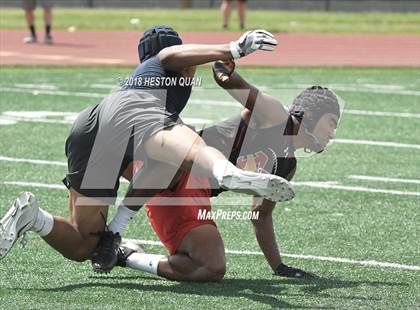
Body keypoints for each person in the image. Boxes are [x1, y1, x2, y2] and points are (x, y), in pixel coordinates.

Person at [0, 27, 293, 273]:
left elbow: (158, 166)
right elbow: (168, 56)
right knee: (187, 146)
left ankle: (35, 218)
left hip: (92, 126)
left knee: (83, 244)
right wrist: (233, 48)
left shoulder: (146, 81)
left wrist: (115, 228)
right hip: (130, 113)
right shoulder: (163, 65)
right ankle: (226, 172)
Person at [98, 60, 341, 282]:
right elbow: (231, 82)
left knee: (211, 268)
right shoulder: (275, 115)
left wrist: (278, 266)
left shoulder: (288, 166)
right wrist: (222, 67)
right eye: (331, 123)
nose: (332, 133)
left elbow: (261, 215)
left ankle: (127, 256)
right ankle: (116, 221)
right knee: (211, 267)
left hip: (195, 193)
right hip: (174, 172)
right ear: (310, 114)